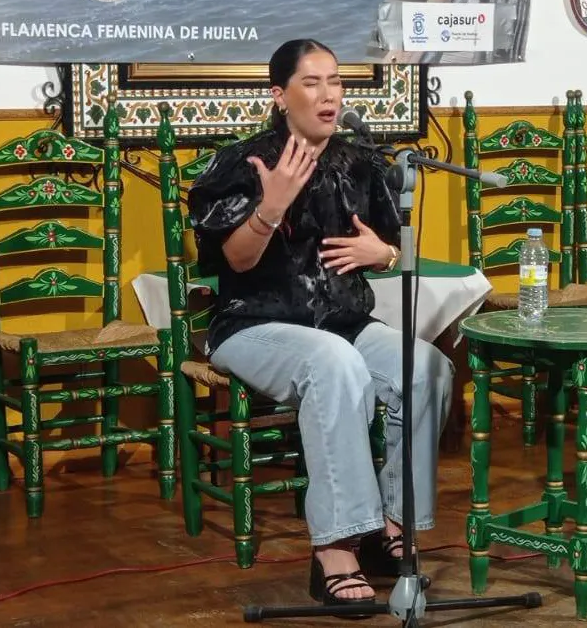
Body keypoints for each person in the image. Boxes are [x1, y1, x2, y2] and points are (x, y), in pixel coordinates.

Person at [187, 38, 455, 607]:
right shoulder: (245, 162)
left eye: (335, 81)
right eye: (311, 82)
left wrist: (379, 254)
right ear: (279, 94)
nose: (328, 94)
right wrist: (271, 206)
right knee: (334, 364)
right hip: (254, 326)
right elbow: (234, 261)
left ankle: (392, 527)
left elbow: (394, 251)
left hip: (343, 321)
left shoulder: (360, 162)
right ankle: (335, 547)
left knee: (426, 366)